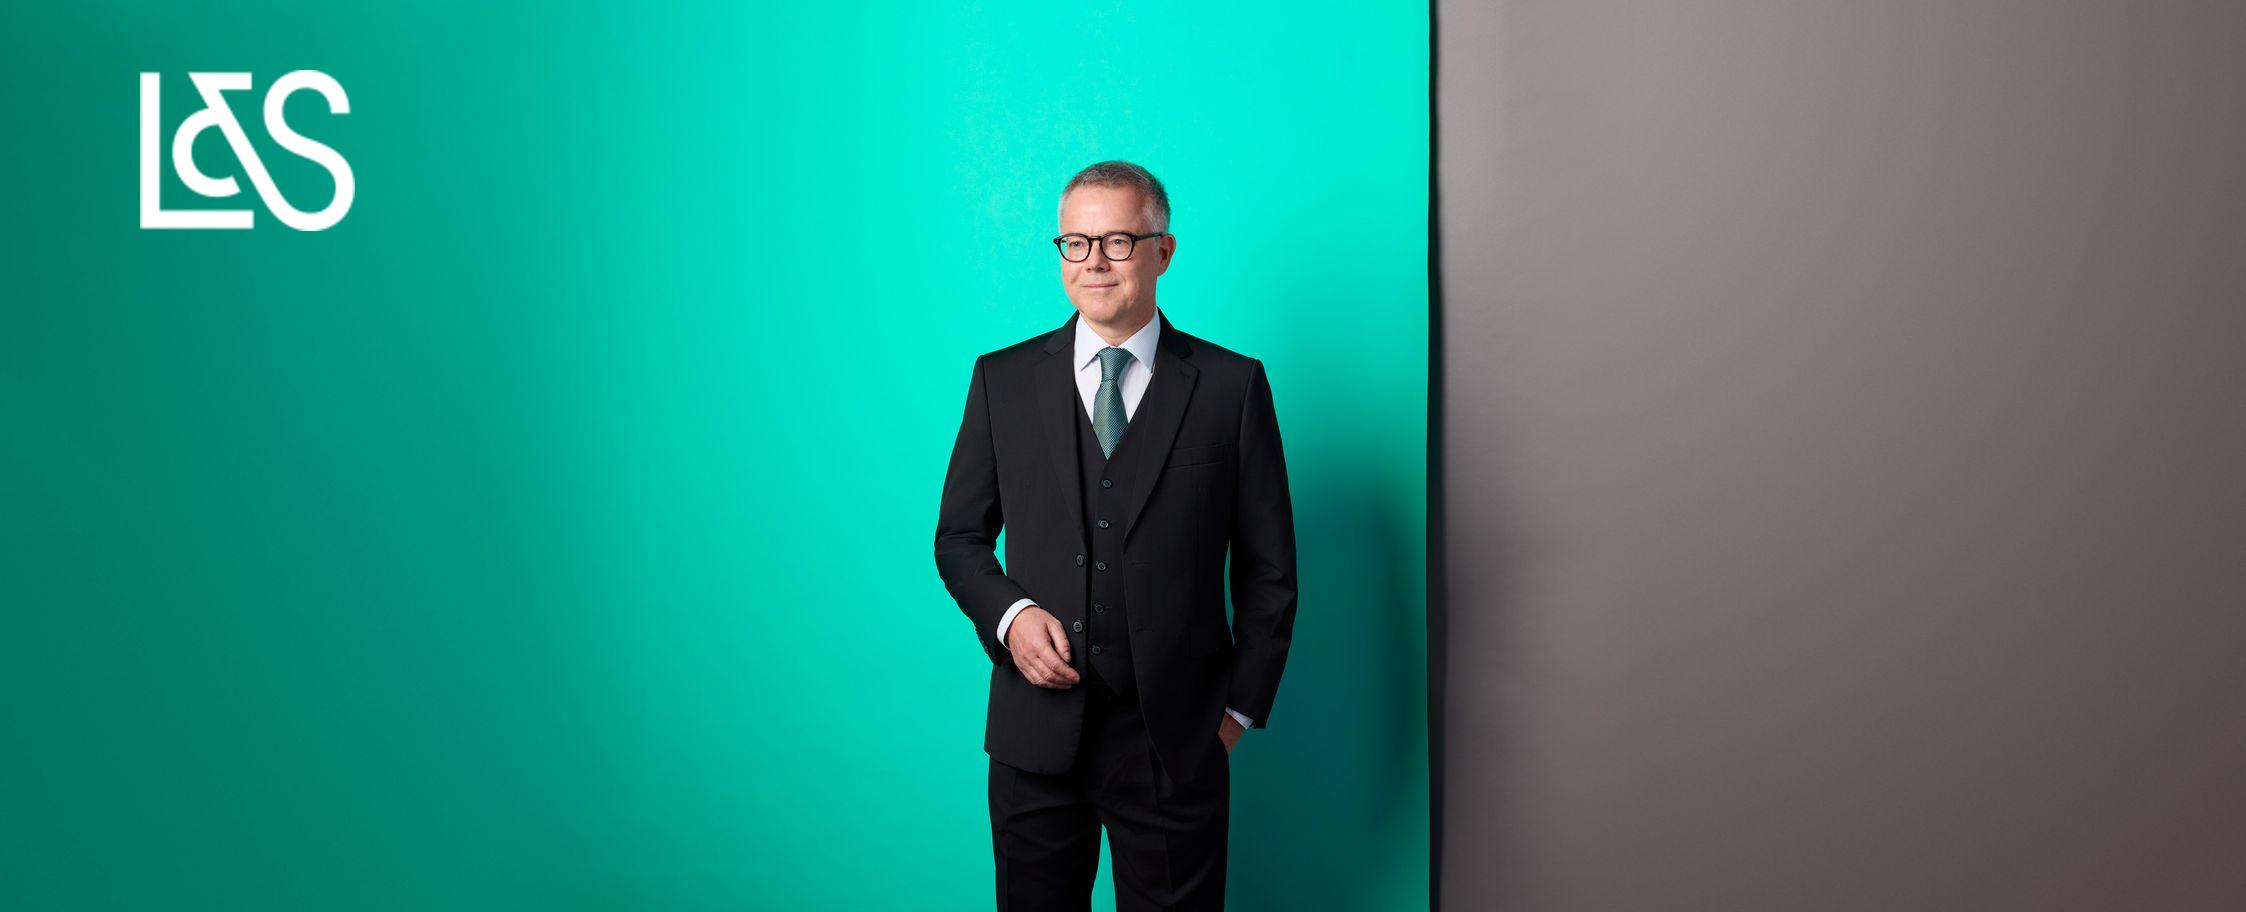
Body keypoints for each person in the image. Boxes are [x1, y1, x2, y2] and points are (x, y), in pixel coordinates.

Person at [934, 160, 1299, 910]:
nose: (1094, 262)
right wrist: (1011, 616)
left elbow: (1270, 572)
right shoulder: (1001, 380)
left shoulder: (1231, 387)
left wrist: (1235, 715)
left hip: (1175, 743)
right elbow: (959, 539)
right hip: (1034, 738)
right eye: (1076, 242)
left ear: (1163, 252)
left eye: (1118, 242)